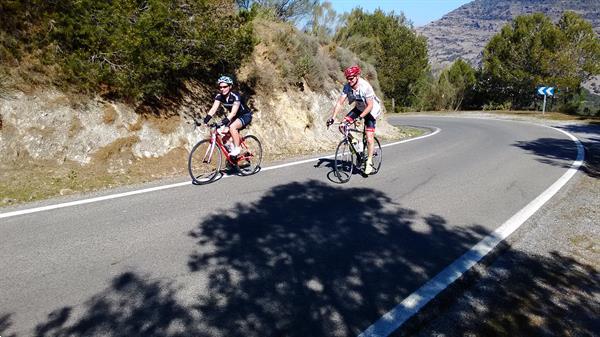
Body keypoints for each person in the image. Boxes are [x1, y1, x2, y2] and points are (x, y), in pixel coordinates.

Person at [326, 65, 381, 175]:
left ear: (357, 76)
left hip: (371, 110)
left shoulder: (365, 87)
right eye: (347, 78)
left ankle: (369, 161)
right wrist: (333, 117)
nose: (349, 80)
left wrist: (360, 118)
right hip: (359, 108)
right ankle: (354, 141)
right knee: (342, 126)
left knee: (369, 138)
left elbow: (370, 105)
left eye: (351, 78)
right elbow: (339, 103)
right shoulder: (347, 87)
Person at [203, 76, 253, 156]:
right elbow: (213, 109)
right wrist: (206, 120)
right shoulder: (219, 96)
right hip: (235, 117)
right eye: (220, 87)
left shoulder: (235, 96)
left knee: (232, 127)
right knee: (224, 139)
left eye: (225, 86)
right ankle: (235, 156)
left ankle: (237, 149)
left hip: (245, 115)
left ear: (230, 86)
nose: (222, 89)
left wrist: (222, 122)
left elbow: (233, 113)